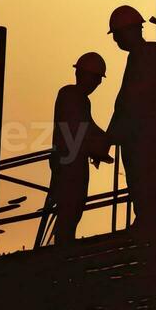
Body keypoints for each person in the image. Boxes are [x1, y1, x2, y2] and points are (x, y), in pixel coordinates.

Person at [103, 4, 156, 230]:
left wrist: (111, 136)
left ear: (128, 31)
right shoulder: (150, 53)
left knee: (140, 176)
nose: (116, 41)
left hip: (140, 132)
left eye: (117, 36)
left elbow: (128, 100)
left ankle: (146, 219)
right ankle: (147, 218)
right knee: (145, 176)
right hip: (147, 129)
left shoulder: (143, 56)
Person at [48, 52, 112, 244]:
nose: (97, 84)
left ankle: (64, 244)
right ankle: (63, 247)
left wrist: (104, 140)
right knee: (70, 206)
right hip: (69, 163)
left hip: (72, 161)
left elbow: (86, 126)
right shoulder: (71, 95)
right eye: (96, 79)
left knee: (74, 208)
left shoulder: (77, 98)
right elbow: (81, 128)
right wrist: (107, 139)